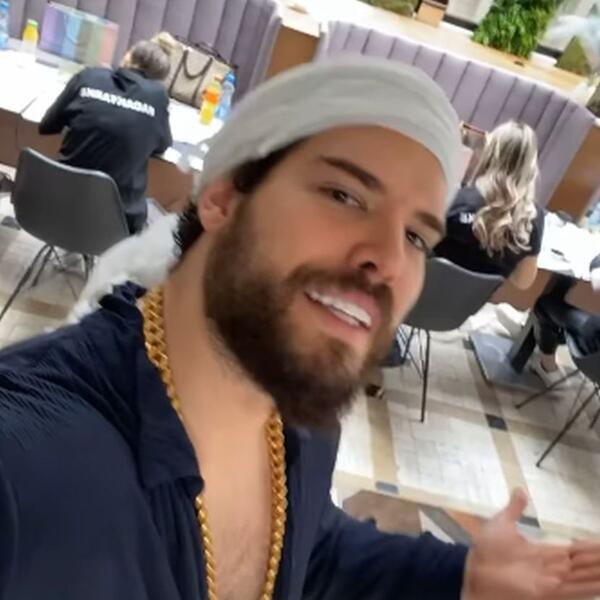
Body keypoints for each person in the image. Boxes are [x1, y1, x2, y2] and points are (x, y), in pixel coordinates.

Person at [2, 58, 600, 600]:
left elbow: (307, 549)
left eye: (417, 237)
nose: (389, 260)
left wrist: (459, 576)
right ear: (223, 198)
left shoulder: (302, 421)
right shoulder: (29, 468)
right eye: (345, 195)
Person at [38, 38, 174, 234]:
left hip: (56, 204)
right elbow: (161, 145)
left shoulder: (88, 76)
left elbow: (46, 126)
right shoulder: (158, 97)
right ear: (159, 79)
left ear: (128, 56)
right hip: (115, 223)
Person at [435, 121, 544, 290]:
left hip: (426, 294)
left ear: (490, 154)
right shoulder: (531, 218)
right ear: (530, 166)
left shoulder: (456, 200)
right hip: (469, 304)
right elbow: (523, 282)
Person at [531, 253, 600, 385]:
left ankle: (547, 367)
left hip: (594, 349)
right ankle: (554, 339)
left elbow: (597, 279)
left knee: (544, 304)